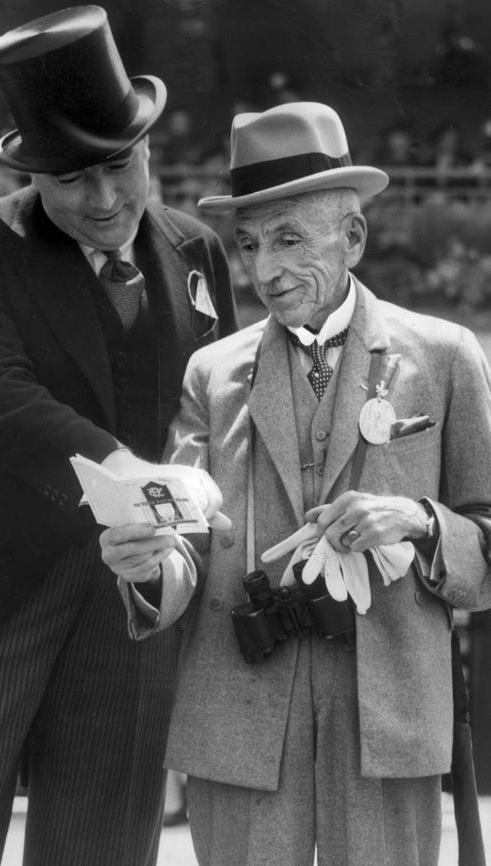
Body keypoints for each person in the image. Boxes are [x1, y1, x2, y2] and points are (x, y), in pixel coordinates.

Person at [0, 7, 236, 866]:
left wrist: (175, 529)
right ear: (33, 174)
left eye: (118, 167)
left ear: (150, 147)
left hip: (134, 600)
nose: (102, 201)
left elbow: (211, 408)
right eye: (70, 181)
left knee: (104, 845)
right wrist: (128, 474)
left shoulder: (197, 253)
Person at [101, 102, 491, 866]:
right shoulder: (212, 374)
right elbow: (185, 536)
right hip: (238, 720)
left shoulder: (447, 358)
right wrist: (147, 566)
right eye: (247, 244)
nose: (264, 270)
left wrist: (417, 518)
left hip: (389, 724)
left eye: (289, 239)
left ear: (353, 236)